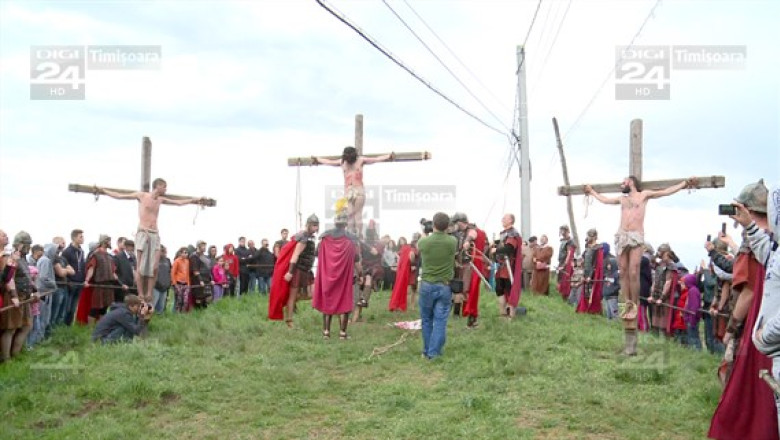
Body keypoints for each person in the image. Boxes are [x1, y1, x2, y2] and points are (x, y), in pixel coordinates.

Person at [586, 175, 698, 356]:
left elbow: (665, 191)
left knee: (633, 269)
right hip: (622, 234)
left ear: (631, 182)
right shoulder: (622, 199)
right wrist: (591, 191)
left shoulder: (643, 195)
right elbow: (605, 200)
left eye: (624, 181)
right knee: (623, 271)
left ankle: (634, 300)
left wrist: (684, 184)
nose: (621, 184)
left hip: (636, 235)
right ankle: (627, 300)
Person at [709, 180, 778, 440]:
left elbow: (748, 292)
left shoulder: (755, 244)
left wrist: (732, 328)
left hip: (758, 329)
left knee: (749, 393)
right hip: (770, 327)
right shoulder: (773, 241)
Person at [97, 178, 208, 308]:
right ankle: (141, 293)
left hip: (155, 233)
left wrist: (194, 200)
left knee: (154, 267)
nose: (166, 189)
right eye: (164, 187)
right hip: (143, 232)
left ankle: (149, 292)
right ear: (158, 186)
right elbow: (121, 196)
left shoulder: (160, 200)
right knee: (141, 267)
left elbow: (178, 202)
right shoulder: (142, 196)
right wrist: (102, 190)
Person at [315, 147, 394, 236]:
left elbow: (375, 159)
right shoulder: (342, 162)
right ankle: (351, 234)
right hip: (349, 191)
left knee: (357, 215)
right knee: (350, 215)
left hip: (358, 189)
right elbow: (329, 162)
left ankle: (358, 234)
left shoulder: (360, 160)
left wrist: (388, 156)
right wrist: (318, 159)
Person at [312, 201, 360, 340]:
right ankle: (342, 333)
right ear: (346, 224)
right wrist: (361, 273)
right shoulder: (351, 239)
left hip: (327, 276)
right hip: (344, 277)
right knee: (344, 302)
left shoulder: (324, 237)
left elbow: (317, 253)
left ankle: (326, 332)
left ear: (335, 222)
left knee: (328, 301)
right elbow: (356, 258)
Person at [417, 212, 457, 359]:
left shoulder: (424, 242)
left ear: (433, 224)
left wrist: (424, 232)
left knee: (427, 319)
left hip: (427, 284)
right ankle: (434, 352)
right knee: (440, 320)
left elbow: (419, 245)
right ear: (447, 226)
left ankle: (427, 350)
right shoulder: (452, 241)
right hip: (445, 285)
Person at [269, 214, 319, 328]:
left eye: (317, 225)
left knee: (312, 293)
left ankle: (290, 300)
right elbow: (295, 255)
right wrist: (290, 272)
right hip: (298, 270)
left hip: (307, 270)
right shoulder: (304, 237)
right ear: (309, 225)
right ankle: (289, 321)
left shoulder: (310, 236)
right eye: (314, 225)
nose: (316, 228)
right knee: (292, 297)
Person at [1, 232, 36, 362]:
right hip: (15, 297)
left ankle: (16, 354)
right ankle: (6, 358)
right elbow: (9, 279)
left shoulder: (23, 259)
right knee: (10, 328)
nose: (29, 248)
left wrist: (35, 291)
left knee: (27, 326)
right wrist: (14, 296)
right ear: (21, 245)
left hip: (25, 297)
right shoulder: (11, 258)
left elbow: (27, 277)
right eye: (27, 245)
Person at [84, 235, 124, 324]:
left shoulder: (110, 257)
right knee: (95, 308)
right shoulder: (96, 254)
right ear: (104, 242)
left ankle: (100, 327)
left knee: (104, 308)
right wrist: (87, 280)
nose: (110, 243)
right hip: (99, 284)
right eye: (109, 241)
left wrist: (121, 284)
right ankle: (89, 330)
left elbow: (113, 273)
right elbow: (91, 268)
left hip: (109, 285)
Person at [490, 214, 523, 318]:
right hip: (501, 267)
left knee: (509, 291)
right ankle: (502, 313)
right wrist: (494, 243)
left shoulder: (513, 233)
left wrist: (496, 249)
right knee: (499, 290)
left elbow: (509, 248)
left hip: (509, 267)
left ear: (511, 221)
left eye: (505, 218)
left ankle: (511, 316)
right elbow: (502, 242)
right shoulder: (505, 234)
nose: (502, 219)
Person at [60, 228, 85, 326]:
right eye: (80, 236)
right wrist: (67, 281)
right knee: (67, 307)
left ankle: (68, 327)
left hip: (79, 283)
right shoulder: (67, 252)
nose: (83, 238)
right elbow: (63, 266)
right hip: (71, 283)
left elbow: (82, 266)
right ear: (74, 238)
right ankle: (62, 327)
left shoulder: (81, 251)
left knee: (74, 308)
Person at [577, 229, 604, 315]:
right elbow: (584, 261)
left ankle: (593, 312)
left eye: (589, 236)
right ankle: (585, 310)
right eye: (587, 235)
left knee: (592, 294)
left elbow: (596, 264)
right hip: (586, 273)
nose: (587, 238)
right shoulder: (587, 248)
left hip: (592, 275)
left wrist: (590, 276)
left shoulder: (598, 248)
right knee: (585, 293)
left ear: (594, 237)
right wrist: (583, 274)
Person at [389, 237, 414, 312]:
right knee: (398, 286)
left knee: (402, 287)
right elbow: (397, 259)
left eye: (402, 240)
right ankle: (396, 304)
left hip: (405, 268)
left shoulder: (408, 248)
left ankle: (399, 305)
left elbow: (411, 257)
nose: (401, 242)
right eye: (400, 241)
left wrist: (412, 263)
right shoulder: (400, 250)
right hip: (400, 269)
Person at [557, 225, 577, 301]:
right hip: (561, 262)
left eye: (562, 230)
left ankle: (569, 298)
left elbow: (569, 253)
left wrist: (565, 264)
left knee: (566, 281)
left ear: (566, 230)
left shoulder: (570, 241)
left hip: (567, 264)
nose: (561, 232)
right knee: (561, 280)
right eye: (561, 230)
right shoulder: (563, 241)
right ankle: (564, 299)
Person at [171, 247, 191, 313]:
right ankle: (177, 313)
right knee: (179, 300)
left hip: (185, 284)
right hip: (178, 283)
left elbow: (187, 273)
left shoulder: (187, 261)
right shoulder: (177, 261)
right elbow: (173, 273)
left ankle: (183, 313)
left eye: (186, 253)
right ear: (180, 253)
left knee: (185, 300)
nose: (185, 254)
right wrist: (174, 284)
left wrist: (188, 284)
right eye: (184, 252)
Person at [153, 246, 171, 315]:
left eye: (165, 251)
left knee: (161, 306)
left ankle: (160, 319)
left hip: (165, 287)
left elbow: (169, 272)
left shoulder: (168, 260)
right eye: (162, 251)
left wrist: (168, 283)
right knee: (153, 304)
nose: (164, 253)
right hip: (156, 286)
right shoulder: (154, 260)